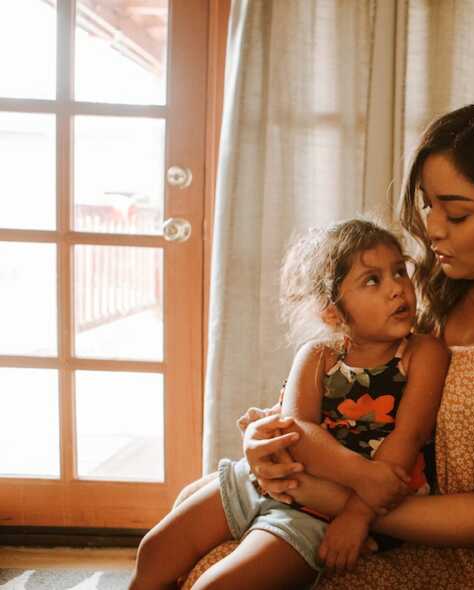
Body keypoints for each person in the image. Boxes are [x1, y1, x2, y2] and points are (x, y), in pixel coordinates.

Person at [234, 99, 474, 589]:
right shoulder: (435, 301)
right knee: (190, 551)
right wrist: (265, 441)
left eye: (456, 213)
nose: (431, 228)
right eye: (429, 204)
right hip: (366, 517)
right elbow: (343, 404)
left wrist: (338, 502)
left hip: (471, 557)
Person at [130, 219, 450, 590]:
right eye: (372, 280)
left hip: (318, 512)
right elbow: (298, 432)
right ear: (333, 312)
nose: (397, 288)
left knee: (215, 587)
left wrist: (357, 514)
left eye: (399, 272)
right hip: (261, 480)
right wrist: (363, 475)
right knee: (154, 552)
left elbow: (409, 437)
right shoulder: (317, 356)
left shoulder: (422, 352)